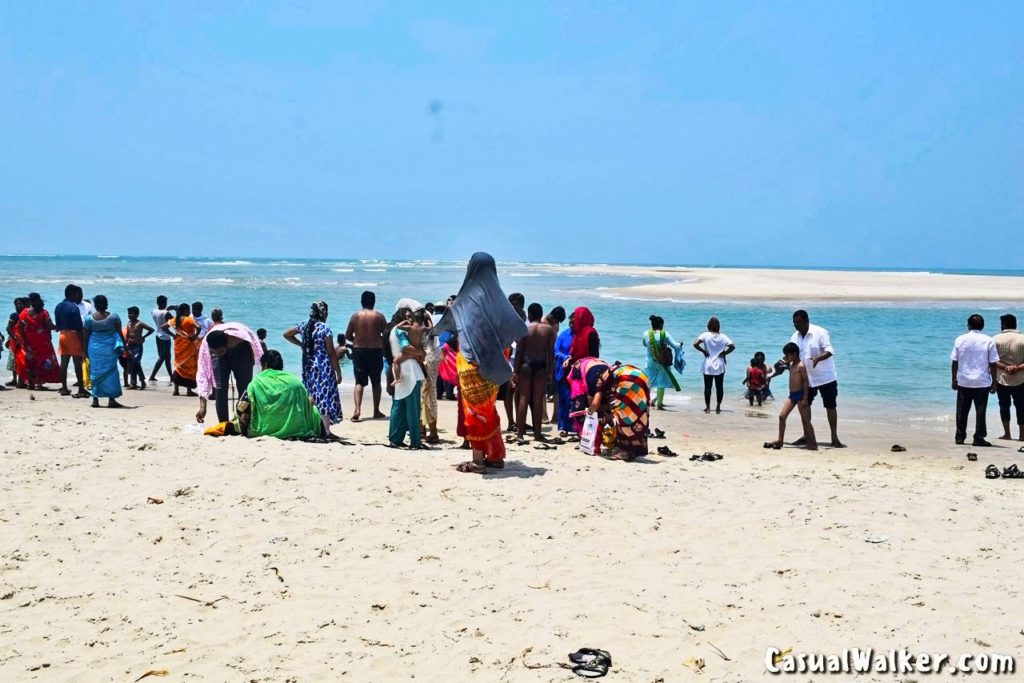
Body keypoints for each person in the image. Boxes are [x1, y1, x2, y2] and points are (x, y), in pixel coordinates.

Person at [431, 253, 528, 473]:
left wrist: (433, 331)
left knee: (474, 411)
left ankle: (478, 460)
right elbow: (516, 327)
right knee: (488, 410)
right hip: (494, 363)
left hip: (471, 364)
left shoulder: (466, 298)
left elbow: (450, 326)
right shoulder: (499, 300)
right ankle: (494, 455)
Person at [232, 350, 325, 439]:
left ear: (265, 365)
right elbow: (305, 405)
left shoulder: (257, 382)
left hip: (263, 430)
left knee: (241, 406)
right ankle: (326, 433)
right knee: (313, 408)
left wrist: (243, 429)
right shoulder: (295, 381)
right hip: (297, 430)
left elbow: (244, 406)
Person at [574, 358, 652, 460]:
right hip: (642, 377)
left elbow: (595, 404)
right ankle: (635, 449)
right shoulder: (612, 372)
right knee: (638, 413)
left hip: (627, 380)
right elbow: (610, 406)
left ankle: (624, 452)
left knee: (623, 416)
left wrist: (589, 412)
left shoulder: (601, 381)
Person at [284, 301, 342, 432]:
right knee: (325, 397)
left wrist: (301, 345)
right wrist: (338, 371)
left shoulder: (304, 324)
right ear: (324, 313)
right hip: (323, 368)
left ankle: (309, 425)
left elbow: (286, 334)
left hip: (308, 367)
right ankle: (326, 431)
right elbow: (331, 353)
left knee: (312, 396)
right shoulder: (324, 328)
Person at [790, 310, 843, 447]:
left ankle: (834, 437)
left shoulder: (820, 332)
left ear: (807, 321)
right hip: (807, 378)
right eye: (794, 323)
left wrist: (819, 358)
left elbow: (829, 350)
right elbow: (792, 356)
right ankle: (807, 435)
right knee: (804, 405)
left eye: (799, 323)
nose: (796, 325)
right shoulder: (794, 337)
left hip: (826, 378)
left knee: (830, 406)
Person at [195, 323, 263, 424]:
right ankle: (223, 424)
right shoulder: (207, 345)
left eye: (221, 352)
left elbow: (260, 354)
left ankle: (243, 422)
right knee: (220, 388)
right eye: (214, 353)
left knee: (244, 390)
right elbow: (202, 375)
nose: (218, 355)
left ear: (227, 343)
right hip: (218, 348)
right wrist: (202, 407)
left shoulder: (241, 337)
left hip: (242, 350)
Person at [951, 314, 999, 447]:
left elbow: (955, 361)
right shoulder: (989, 340)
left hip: (964, 380)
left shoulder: (960, 339)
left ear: (969, 325)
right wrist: (994, 381)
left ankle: (960, 436)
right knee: (981, 410)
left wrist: (954, 378)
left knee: (961, 410)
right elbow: (993, 363)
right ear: (982, 326)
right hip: (982, 381)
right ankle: (978, 437)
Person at [512, 303, 555, 442]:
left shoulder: (524, 328)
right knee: (537, 399)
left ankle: (519, 434)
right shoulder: (549, 330)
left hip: (526, 365)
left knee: (523, 398)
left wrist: (515, 371)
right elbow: (550, 353)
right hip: (541, 366)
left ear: (529, 315)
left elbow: (519, 351)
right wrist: (550, 371)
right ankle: (537, 434)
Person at [387, 306, 427, 449]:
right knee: (413, 408)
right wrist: (420, 352)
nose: (411, 320)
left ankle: (395, 438)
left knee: (399, 406)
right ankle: (415, 441)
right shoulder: (401, 331)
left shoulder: (393, 330)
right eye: (408, 317)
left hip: (399, 369)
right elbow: (406, 347)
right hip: (410, 370)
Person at [764, 342, 816, 450]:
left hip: (801, 395)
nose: (786, 357)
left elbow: (806, 382)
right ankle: (780, 440)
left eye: (788, 355)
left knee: (806, 420)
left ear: (795, 355)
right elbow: (782, 364)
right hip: (792, 395)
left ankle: (813, 443)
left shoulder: (801, 366)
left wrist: (806, 398)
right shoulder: (791, 364)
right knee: (782, 416)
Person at [346, 290, 387, 422]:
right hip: (375, 351)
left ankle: (357, 409)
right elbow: (386, 336)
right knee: (376, 382)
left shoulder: (355, 316)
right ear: (374, 302)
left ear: (361, 301)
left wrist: (357, 341)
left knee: (359, 382)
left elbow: (347, 336)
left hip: (359, 352)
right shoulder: (379, 316)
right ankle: (376, 411)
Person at [82, 294, 127, 408]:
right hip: (109, 349)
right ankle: (111, 400)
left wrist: (84, 351)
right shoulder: (114, 317)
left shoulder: (88, 319)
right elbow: (120, 334)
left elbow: (85, 337)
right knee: (111, 373)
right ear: (107, 304)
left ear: (95, 305)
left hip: (94, 349)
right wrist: (125, 348)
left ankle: (95, 400)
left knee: (95, 372)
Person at [18, 293, 60, 390]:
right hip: (43, 342)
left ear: (30, 301)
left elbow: (20, 327)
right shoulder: (44, 313)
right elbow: (50, 326)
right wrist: (60, 326)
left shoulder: (24, 312)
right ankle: (38, 384)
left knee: (31, 361)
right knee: (41, 362)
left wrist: (23, 339)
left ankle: (30, 384)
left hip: (29, 341)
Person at [693, 317, 735, 414]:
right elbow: (732, 347)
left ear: (708, 326)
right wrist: (724, 353)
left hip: (708, 364)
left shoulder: (705, 335)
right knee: (719, 386)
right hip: (720, 364)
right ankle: (718, 406)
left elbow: (695, 344)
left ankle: (707, 407)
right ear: (719, 326)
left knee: (707, 387)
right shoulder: (723, 336)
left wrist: (704, 351)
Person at [993, 314, 1024, 441]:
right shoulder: (1023, 338)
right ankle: (1022, 435)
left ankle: (1007, 434)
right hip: (1021, 378)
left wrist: (1006, 367)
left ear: (1003, 325)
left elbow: (992, 360)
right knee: (1021, 406)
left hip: (1002, 378)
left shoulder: (995, 339)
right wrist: (1017, 368)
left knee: (1004, 406)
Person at [54, 284, 87, 397]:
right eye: (78, 294)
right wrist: (83, 343)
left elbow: (57, 326)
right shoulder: (73, 307)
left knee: (64, 363)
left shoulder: (58, 306)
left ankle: (64, 388)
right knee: (77, 363)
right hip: (73, 335)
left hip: (62, 335)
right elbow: (79, 327)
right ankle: (81, 389)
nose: (80, 297)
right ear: (71, 294)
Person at [643, 315, 682, 410]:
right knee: (661, 382)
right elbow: (675, 346)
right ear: (660, 325)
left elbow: (644, 344)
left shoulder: (645, 333)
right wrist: (680, 344)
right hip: (662, 362)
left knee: (649, 382)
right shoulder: (665, 334)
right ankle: (659, 404)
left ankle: (646, 402)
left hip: (650, 362)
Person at [163, 303, 201, 397]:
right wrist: (194, 337)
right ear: (185, 310)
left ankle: (176, 390)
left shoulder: (174, 320)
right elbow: (199, 328)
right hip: (189, 346)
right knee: (190, 368)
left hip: (178, 346)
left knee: (179, 366)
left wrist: (173, 335)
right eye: (188, 310)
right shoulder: (189, 320)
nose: (189, 312)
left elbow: (163, 327)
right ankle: (189, 390)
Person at [553, 311, 575, 434]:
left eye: (574, 322)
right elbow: (555, 351)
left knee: (574, 400)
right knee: (563, 400)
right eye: (570, 321)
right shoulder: (563, 335)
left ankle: (573, 426)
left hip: (576, 373)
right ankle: (562, 426)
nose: (571, 324)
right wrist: (566, 357)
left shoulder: (582, 336)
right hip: (562, 371)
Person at [125, 307, 154, 390]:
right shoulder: (129, 323)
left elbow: (151, 330)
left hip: (138, 346)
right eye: (128, 313)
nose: (129, 315)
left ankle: (142, 381)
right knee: (132, 364)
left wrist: (143, 337)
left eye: (131, 313)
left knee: (136, 363)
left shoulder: (140, 323)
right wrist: (126, 343)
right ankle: (133, 383)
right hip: (130, 346)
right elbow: (127, 335)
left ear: (137, 314)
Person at [149, 295, 173, 382]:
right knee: (163, 357)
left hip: (158, 335)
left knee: (167, 357)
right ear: (164, 303)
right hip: (165, 337)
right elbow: (174, 322)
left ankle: (171, 376)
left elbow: (160, 317)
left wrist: (167, 310)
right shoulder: (166, 313)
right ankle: (152, 376)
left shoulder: (154, 311)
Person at [6, 297, 28, 388]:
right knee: (14, 361)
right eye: (17, 304)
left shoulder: (26, 315)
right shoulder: (14, 315)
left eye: (20, 304)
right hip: (15, 341)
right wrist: (15, 339)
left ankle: (21, 379)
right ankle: (15, 380)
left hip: (22, 340)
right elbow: (8, 328)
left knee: (22, 361)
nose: (18, 305)